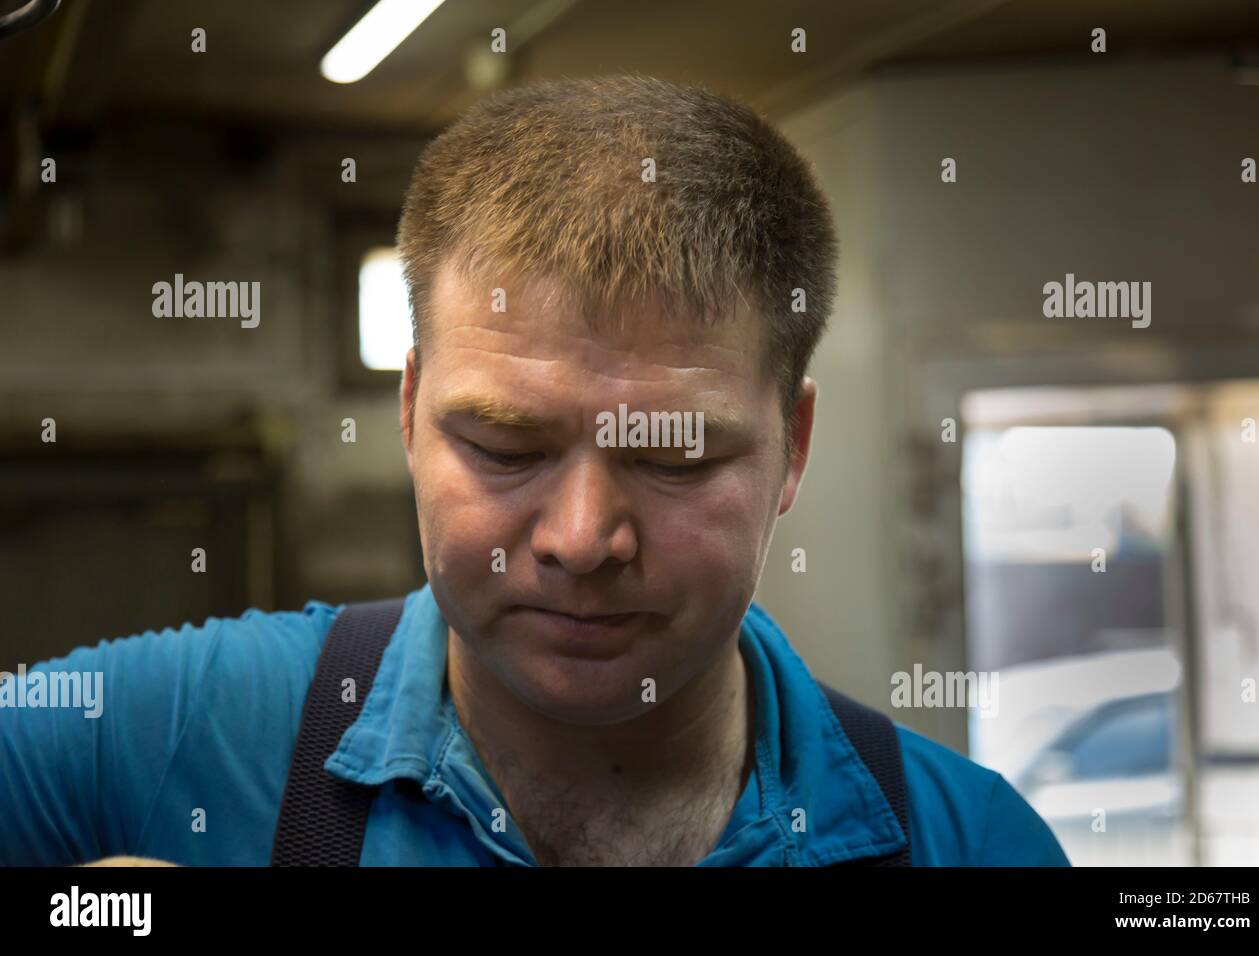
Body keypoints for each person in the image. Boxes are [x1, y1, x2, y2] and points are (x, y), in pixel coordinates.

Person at [0, 74, 1067, 867]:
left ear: (793, 443)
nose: (579, 537)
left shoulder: (968, 844)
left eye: (674, 454)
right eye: (505, 448)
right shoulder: (178, 732)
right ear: (410, 408)